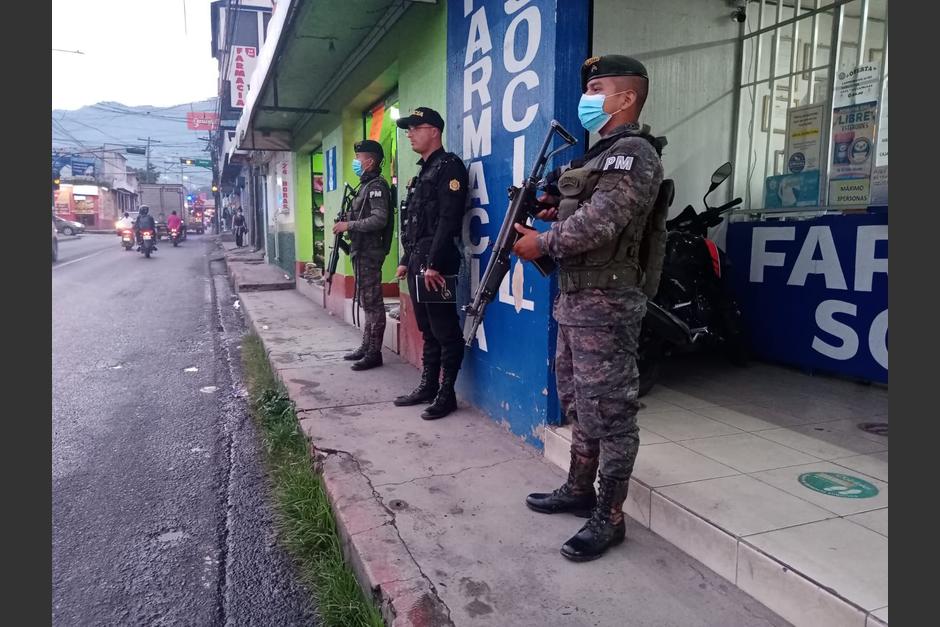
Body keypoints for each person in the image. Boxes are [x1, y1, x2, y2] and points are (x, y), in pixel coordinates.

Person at [512, 55, 665, 562]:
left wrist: (545, 241)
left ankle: (610, 514)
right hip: (578, 301)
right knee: (579, 402)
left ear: (626, 98)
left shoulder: (632, 154)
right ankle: (579, 489)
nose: (588, 97)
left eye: (598, 87)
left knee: (613, 412)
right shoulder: (598, 158)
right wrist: (553, 212)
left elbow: (600, 225)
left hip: (608, 303)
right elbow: (587, 212)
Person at [393, 107, 468, 420]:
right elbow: (415, 222)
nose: (409, 134)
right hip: (419, 262)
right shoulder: (423, 172)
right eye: (408, 129)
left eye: (415, 127)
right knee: (427, 327)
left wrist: (433, 264)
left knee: (444, 328)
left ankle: (446, 393)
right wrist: (405, 260)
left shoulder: (449, 168)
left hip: (436, 262)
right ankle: (427, 386)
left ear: (434, 131)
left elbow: (447, 220)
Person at [331, 139, 392, 371]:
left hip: (370, 252)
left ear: (370, 161)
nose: (355, 163)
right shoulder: (364, 186)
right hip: (361, 250)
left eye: (358, 159)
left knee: (373, 304)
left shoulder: (376, 186)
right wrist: (345, 220)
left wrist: (349, 226)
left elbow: (379, 219)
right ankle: (367, 346)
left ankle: (374, 352)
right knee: (366, 301)